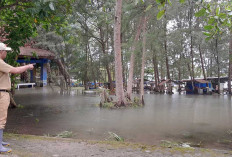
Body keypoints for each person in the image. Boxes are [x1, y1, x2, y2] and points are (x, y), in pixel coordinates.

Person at [0, 42, 34, 153]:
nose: (6, 53)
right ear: (1, 52)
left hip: (2, 92)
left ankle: (0, 142)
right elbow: (15, 70)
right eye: (5, 51)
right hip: (1, 93)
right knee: (1, 120)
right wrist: (28, 66)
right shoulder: (0, 62)